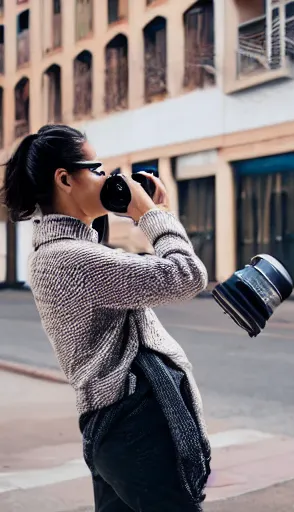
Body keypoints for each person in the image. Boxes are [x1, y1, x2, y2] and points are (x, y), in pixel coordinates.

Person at [1, 125, 211, 511]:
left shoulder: (63, 252)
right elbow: (187, 275)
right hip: (134, 429)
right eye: (97, 169)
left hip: (115, 429)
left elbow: (120, 265)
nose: (108, 178)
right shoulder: (70, 259)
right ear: (64, 179)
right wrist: (150, 214)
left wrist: (146, 213)